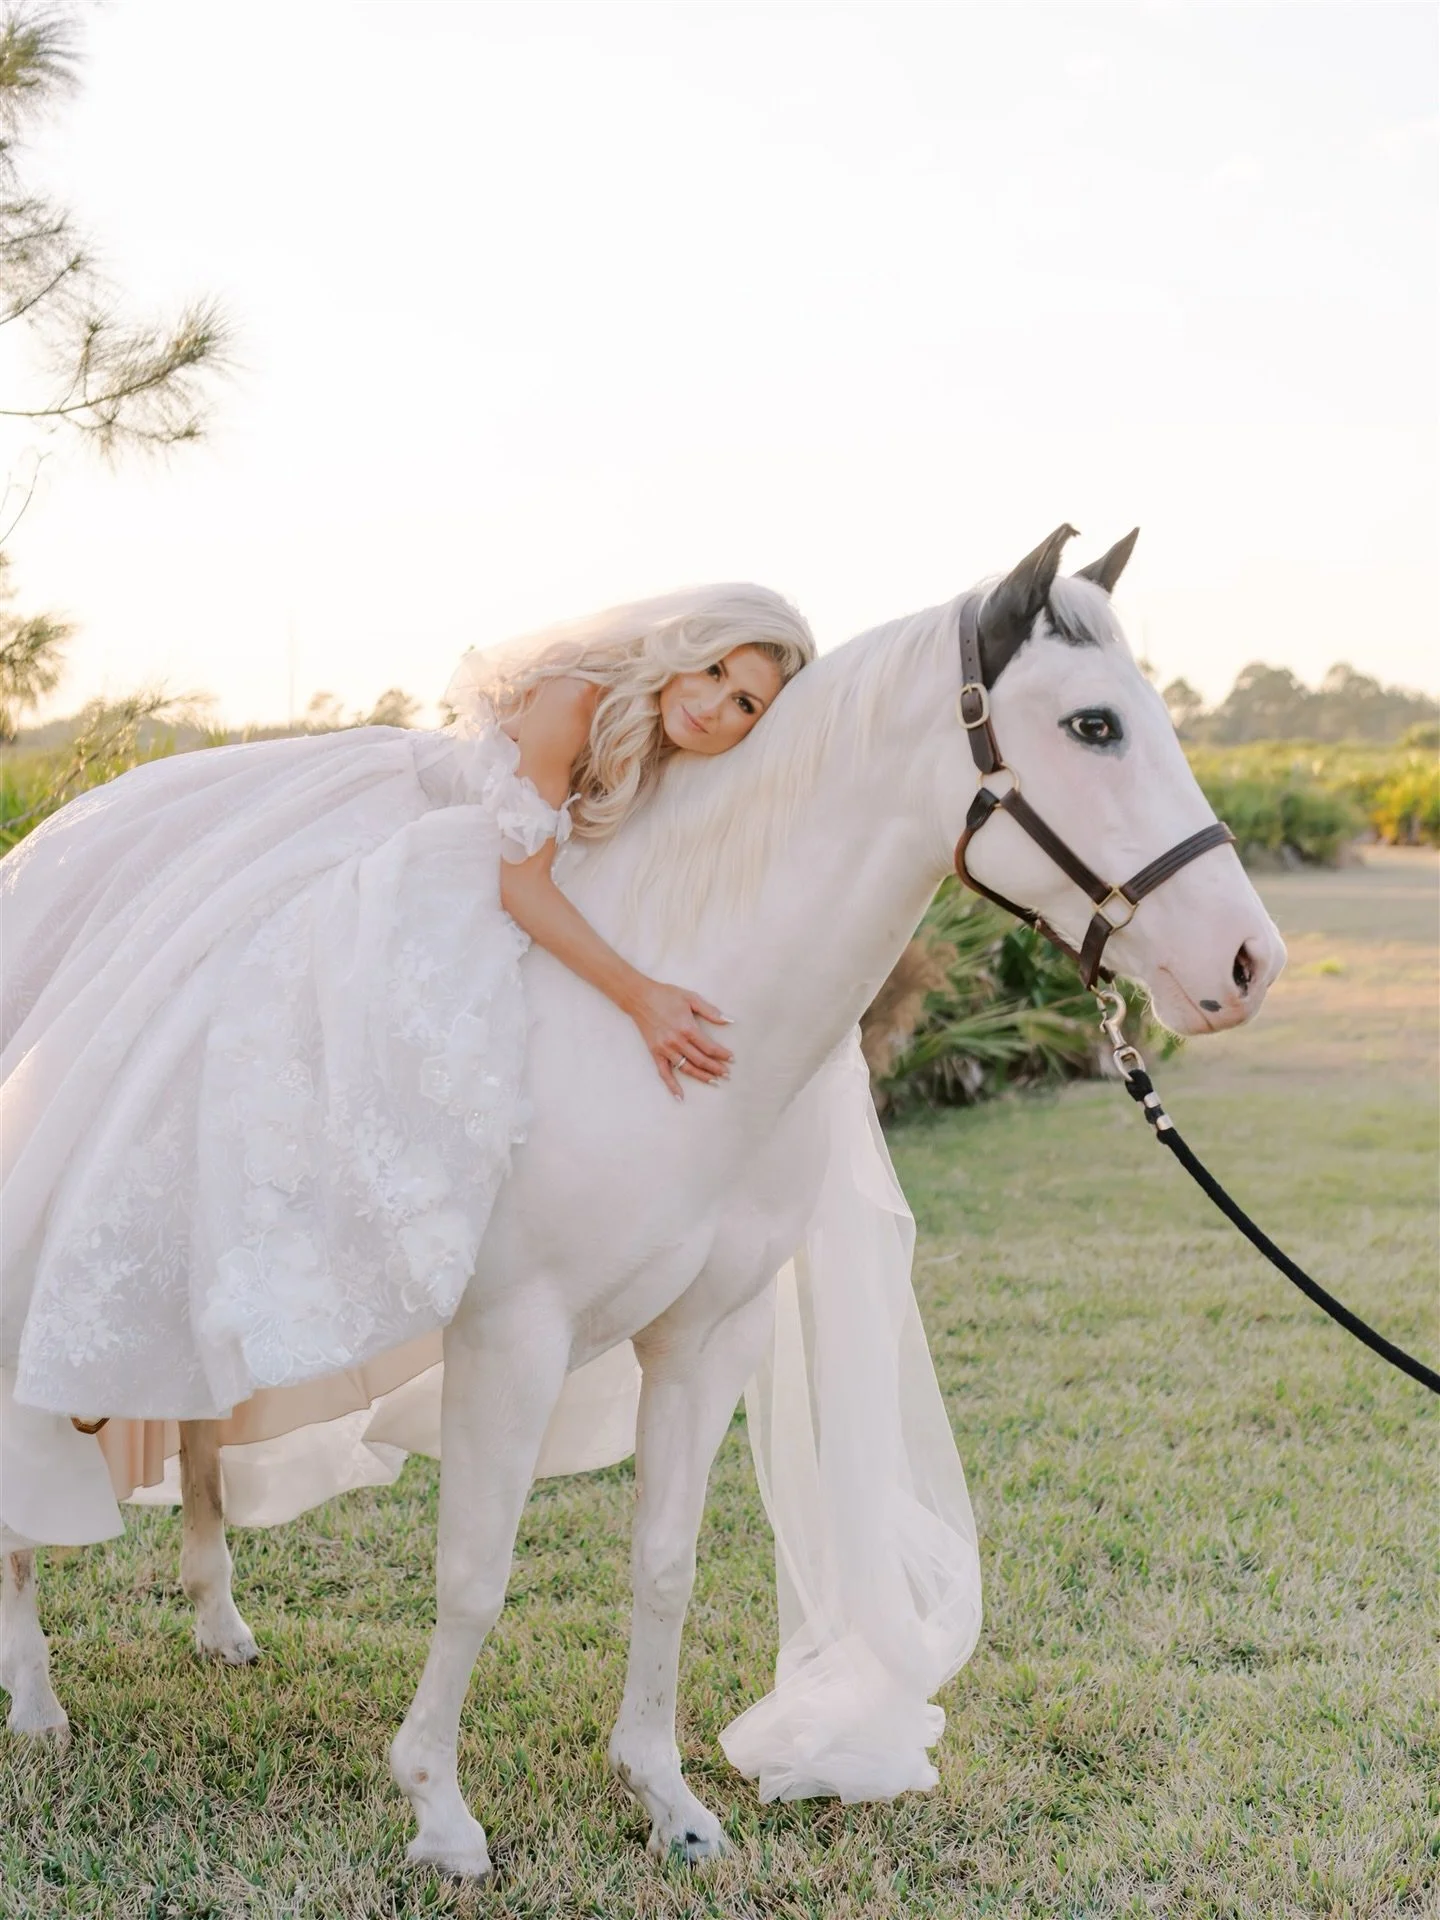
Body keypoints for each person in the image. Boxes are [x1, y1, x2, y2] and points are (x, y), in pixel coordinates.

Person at [0, 586, 815, 1444]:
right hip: (388, 831)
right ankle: (117, 1292)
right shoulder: (579, 698)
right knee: (261, 1009)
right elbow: (521, 882)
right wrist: (642, 997)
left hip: (472, 874)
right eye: (715, 670)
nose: (712, 704)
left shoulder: (666, 744)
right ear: (685, 646)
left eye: (744, 704)